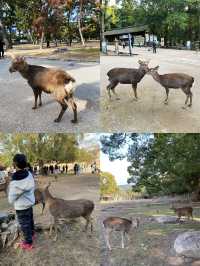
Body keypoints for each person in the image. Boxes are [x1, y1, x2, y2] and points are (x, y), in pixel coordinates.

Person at [8, 154, 35, 250]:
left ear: (14, 164)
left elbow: (10, 200)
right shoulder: (30, 175)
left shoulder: (14, 182)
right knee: (30, 220)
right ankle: (32, 234)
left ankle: (28, 243)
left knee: (24, 224)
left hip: (21, 207)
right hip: (29, 204)